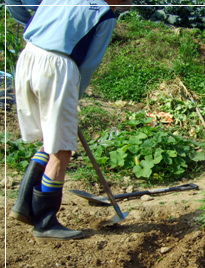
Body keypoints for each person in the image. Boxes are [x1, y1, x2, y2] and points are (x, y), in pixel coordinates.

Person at [9, 0, 129, 240]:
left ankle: (23, 206)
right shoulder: (105, 14)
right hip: (58, 67)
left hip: (29, 56)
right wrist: (74, 96)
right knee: (62, 148)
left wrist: (31, 24)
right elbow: (89, 64)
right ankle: (45, 222)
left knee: (51, 139)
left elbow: (15, 3)